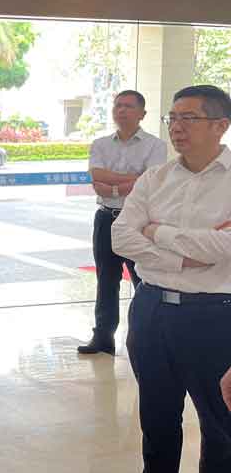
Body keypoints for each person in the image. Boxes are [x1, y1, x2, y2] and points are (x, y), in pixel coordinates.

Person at [105, 85, 231, 473]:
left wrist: (157, 232)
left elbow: (225, 247)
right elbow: (121, 236)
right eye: (173, 118)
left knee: (221, 425)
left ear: (220, 125)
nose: (177, 127)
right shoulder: (155, 178)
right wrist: (184, 256)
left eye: (189, 118)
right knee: (157, 419)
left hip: (215, 315)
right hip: (152, 309)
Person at [79, 90, 167, 355]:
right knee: (106, 279)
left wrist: (114, 185)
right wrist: (132, 179)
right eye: (118, 106)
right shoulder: (101, 144)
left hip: (138, 221)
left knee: (143, 279)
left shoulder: (155, 145)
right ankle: (103, 338)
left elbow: (149, 181)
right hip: (106, 217)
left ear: (142, 114)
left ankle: (149, 336)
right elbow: (97, 175)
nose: (121, 110)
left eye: (128, 106)